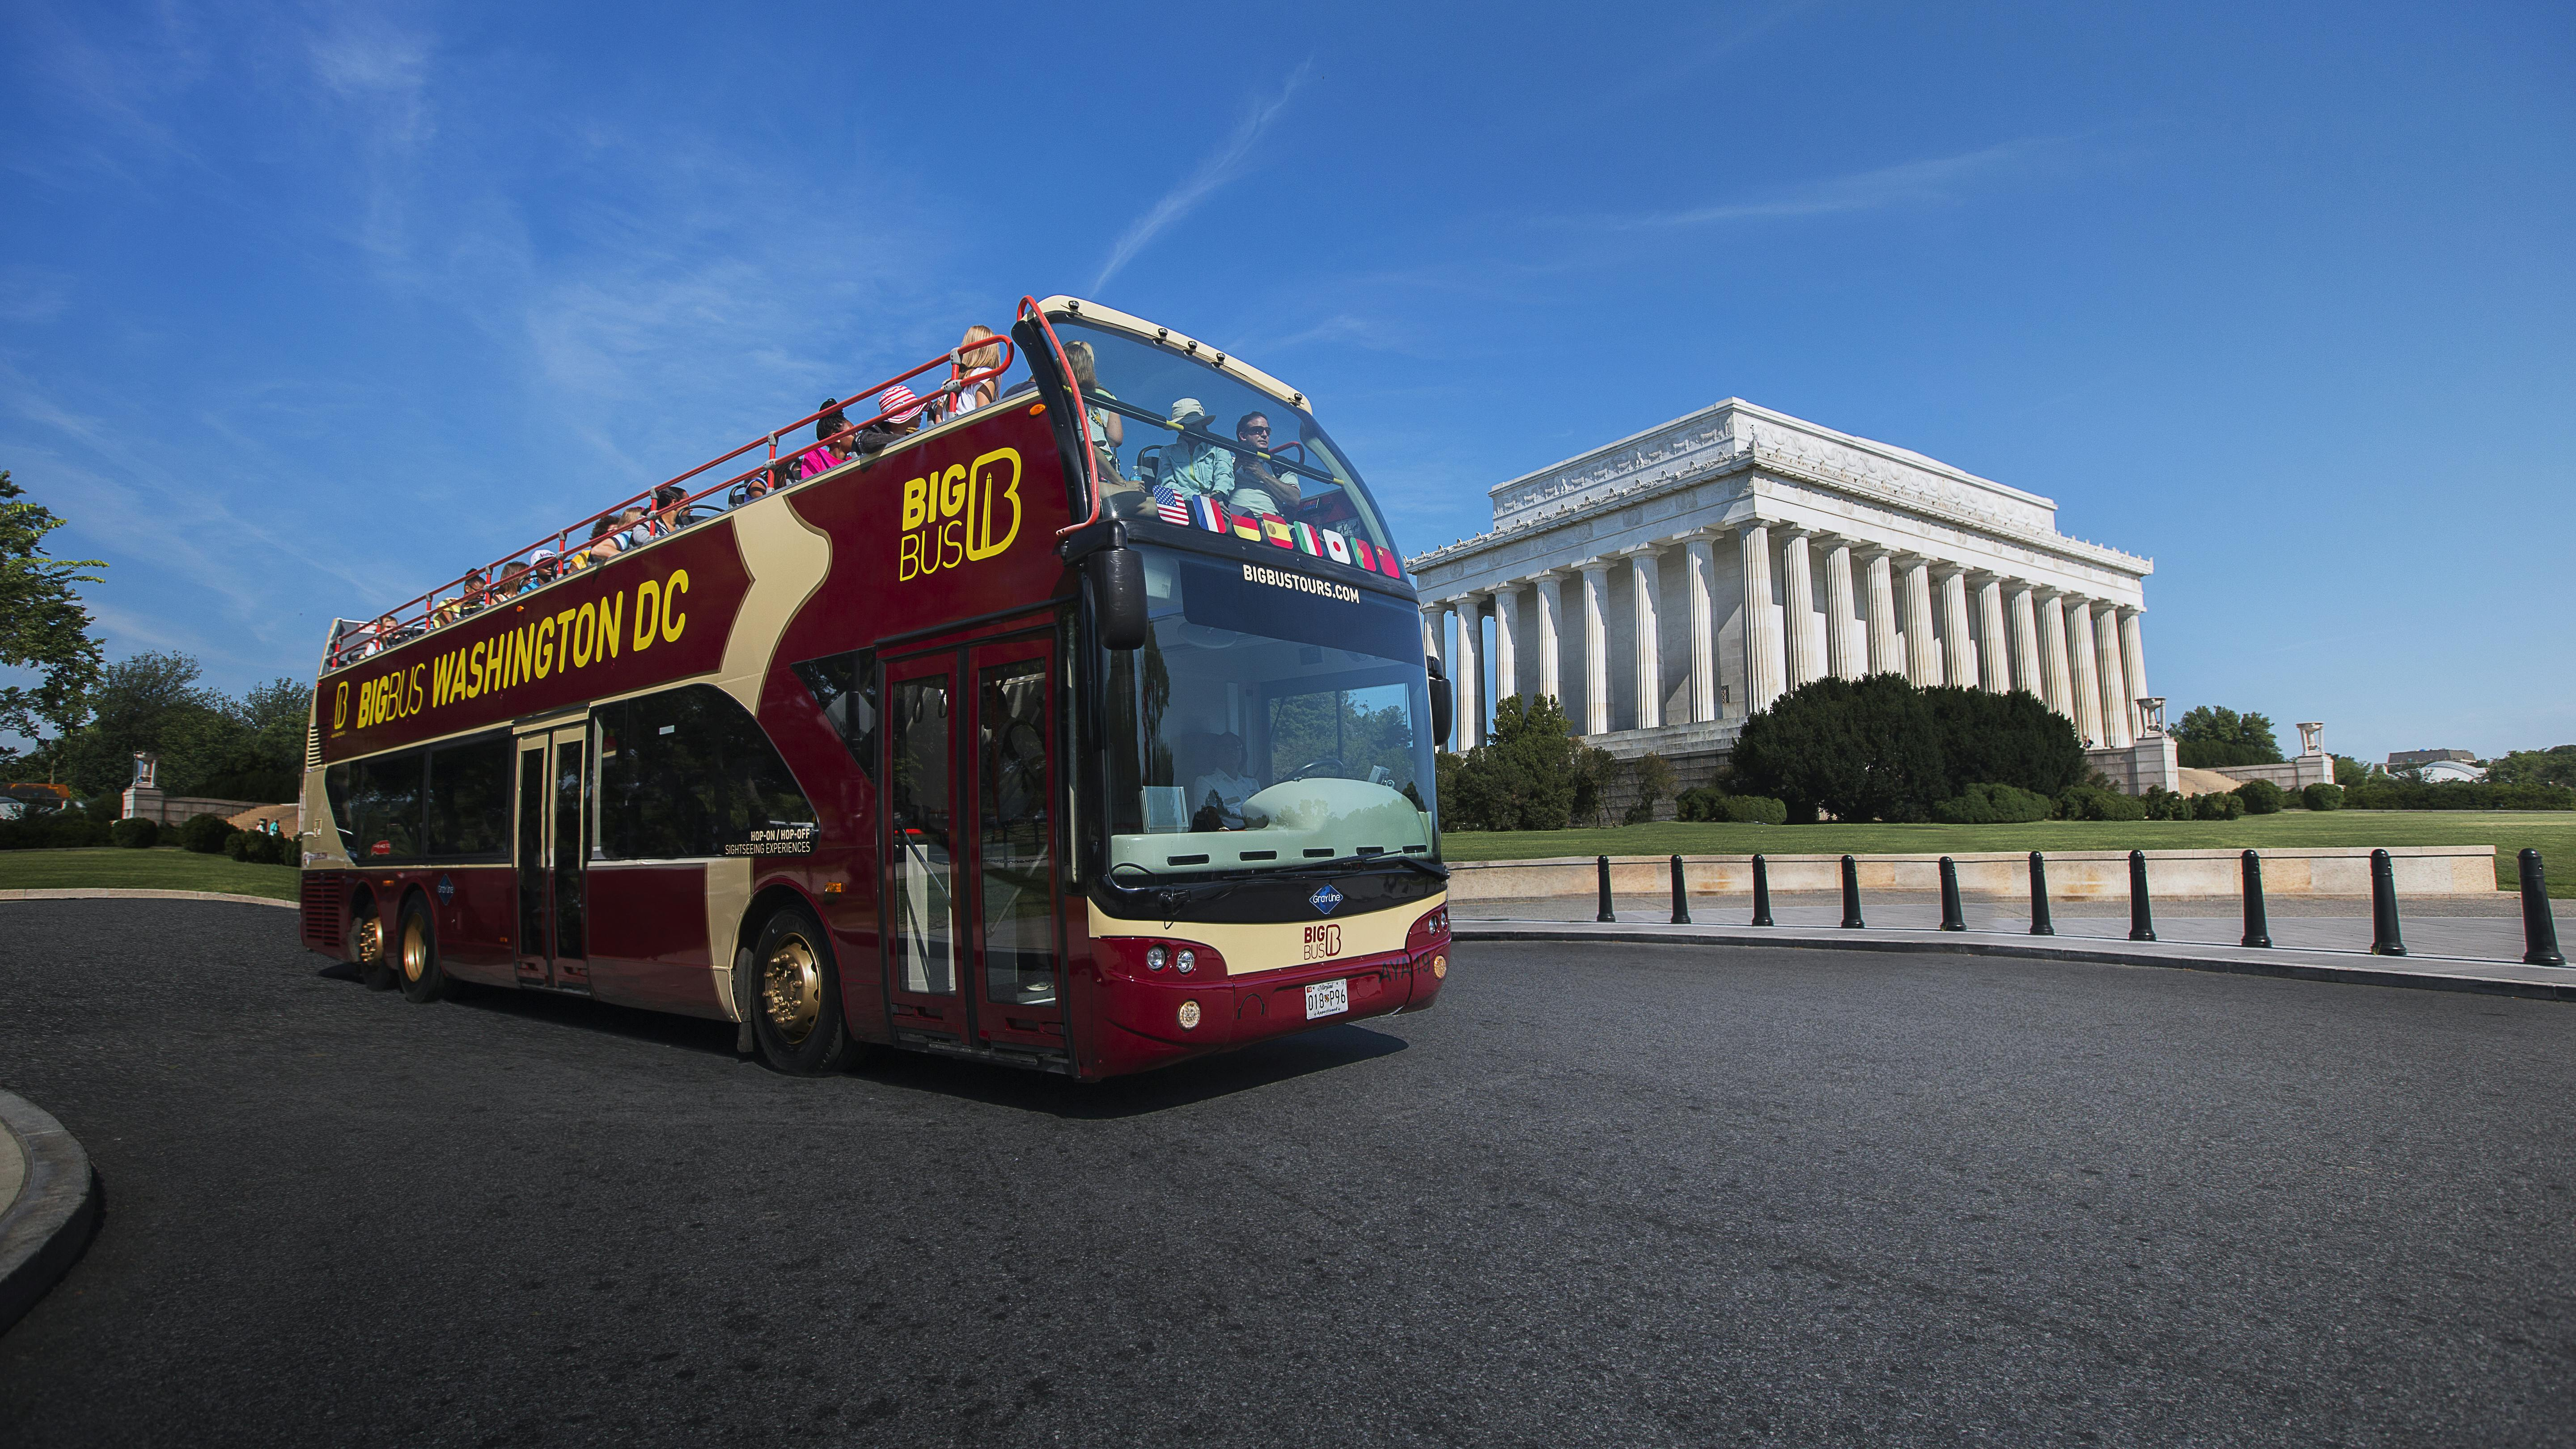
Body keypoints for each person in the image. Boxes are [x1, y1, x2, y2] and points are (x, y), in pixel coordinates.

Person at [1160, 398, 1235, 500]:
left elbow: (1225, 474)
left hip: (1217, 502)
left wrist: (1217, 494)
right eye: (1182, 426)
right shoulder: (1167, 452)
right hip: (1183, 504)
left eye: (1193, 424)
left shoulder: (1219, 448)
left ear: (1202, 424)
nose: (1188, 429)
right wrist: (1197, 498)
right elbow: (1167, 484)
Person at [1228, 411, 1300, 517]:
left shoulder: (1279, 465)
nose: (1265, 435)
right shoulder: (1227, 462)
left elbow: (1295, 499)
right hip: (1233, 520)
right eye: (1258, 431)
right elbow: (1213, 489)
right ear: (1243, 436)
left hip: (1271, 523)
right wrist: (1237, 466)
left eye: (1268, 431)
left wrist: (1262, 474)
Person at [1188, 734, 1263, 830]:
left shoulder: (1252, 783)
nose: (1231, 751)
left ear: (1242, 752)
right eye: (1225, 747)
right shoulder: (1205, 782)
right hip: (1231, 838)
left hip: (1262, 835)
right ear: (1215, 753)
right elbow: (1212, 820)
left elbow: (1266, 813)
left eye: (1236, 746)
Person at [947, 325, 1001, 419]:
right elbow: (984, 417)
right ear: (991, 350)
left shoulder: (946, 386)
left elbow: (939, 425)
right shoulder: (985, 374)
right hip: (971, 427)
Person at [797, 400, 852, 479]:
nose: (857, 435)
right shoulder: (817, 455)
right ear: (836, 438)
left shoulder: (854, 460)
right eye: (853, 433)